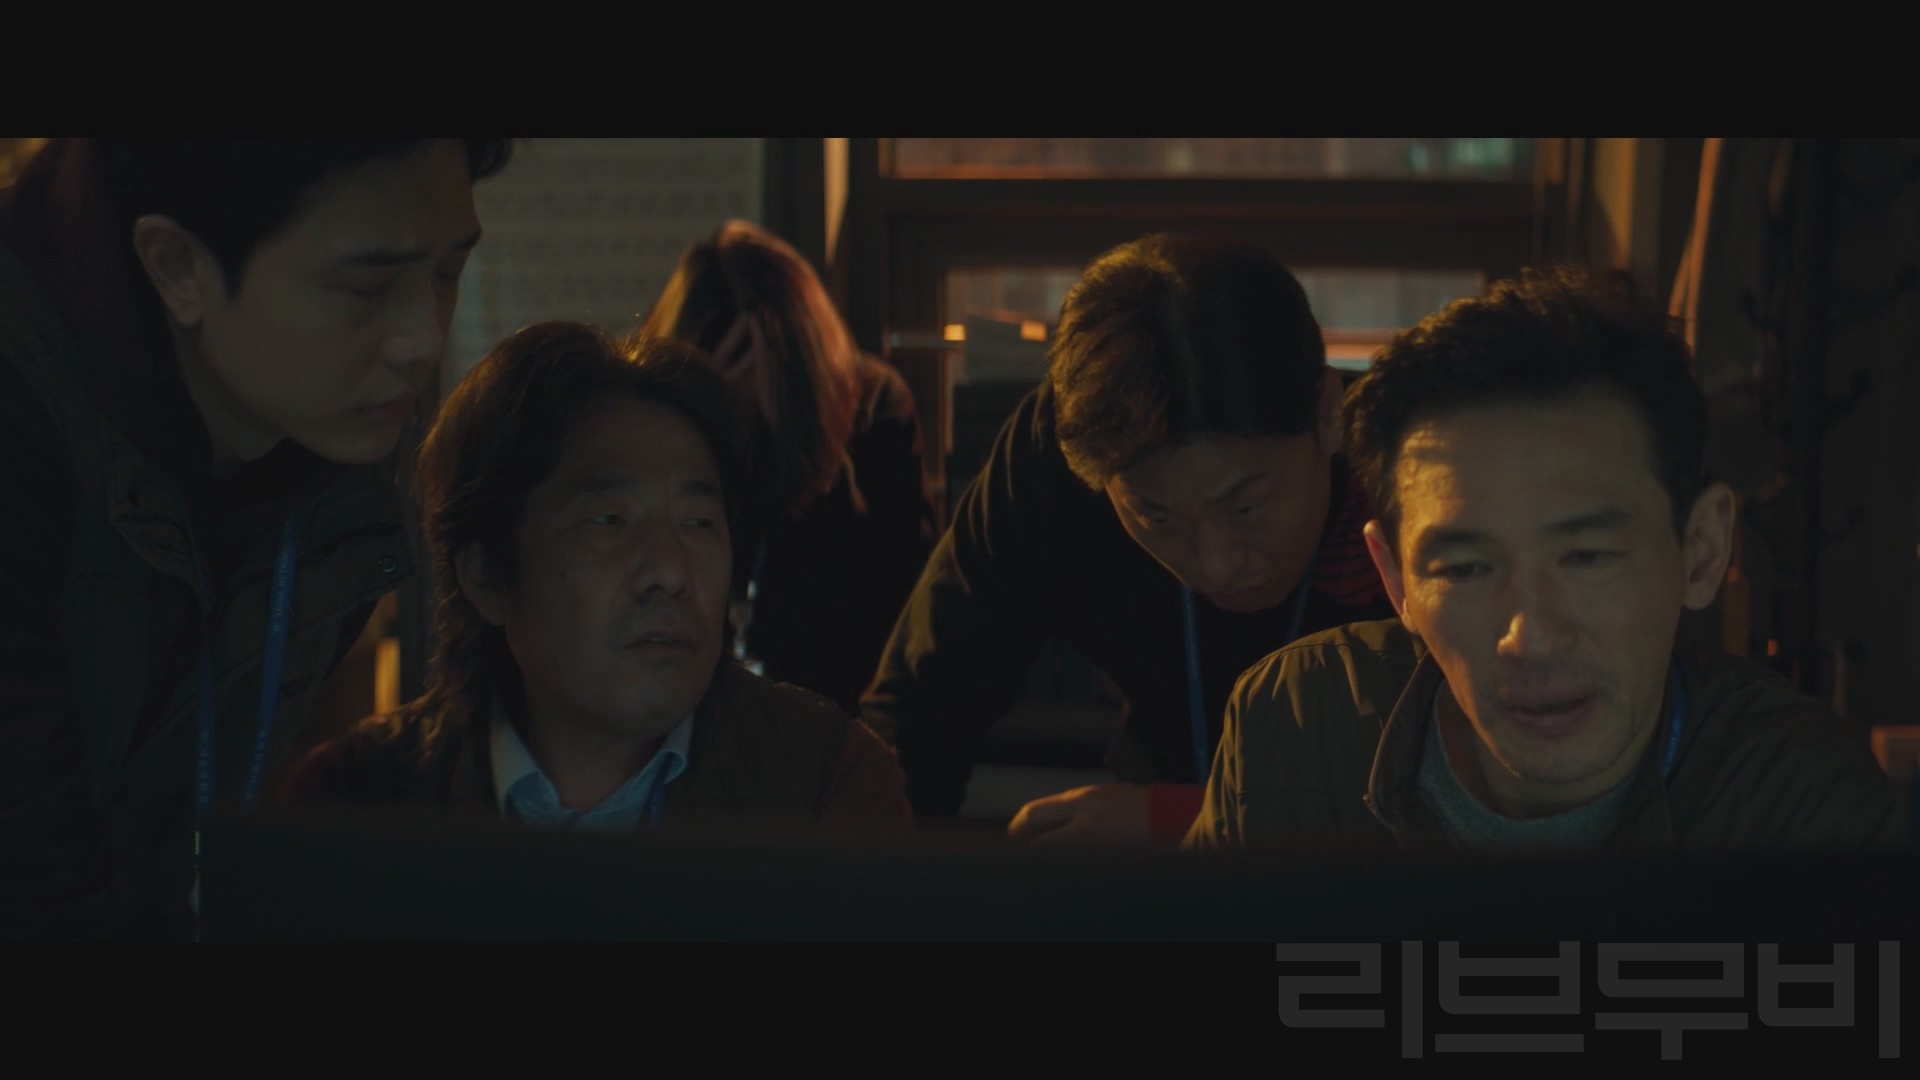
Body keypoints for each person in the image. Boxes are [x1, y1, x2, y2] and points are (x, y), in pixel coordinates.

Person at [1185, 266, 1908, 854]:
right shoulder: (1299, 723)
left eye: (1587, 556)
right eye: (1465, 569)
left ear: (1702, 549)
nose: (1529, 638)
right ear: (1395, 577)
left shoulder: (1804, 803)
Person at [0, 138, 514, 940]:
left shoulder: (322, 450)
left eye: (448, 271)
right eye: (368, 285)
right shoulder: (28, 413)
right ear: (178, 267)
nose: (424, 337)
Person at [860, 234, 1396, 847]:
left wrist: (1178, 818)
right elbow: (918, 712)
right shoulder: (1057, 456)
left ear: (1326, 414)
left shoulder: (1405, 478)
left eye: (1245, 506)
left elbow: (1460, 788)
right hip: (1156, 818)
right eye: (1156, 517)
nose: (1215, 566)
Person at [280, 325, 913, 839]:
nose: (670, 572)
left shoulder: (826, 787)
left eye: (698, 522)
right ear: (487, 574)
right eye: (609, 520)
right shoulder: (360, 802)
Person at [633, 220, 937, 716]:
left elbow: (896, 604)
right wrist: (702, 432)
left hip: (835, 705)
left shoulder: (871, 404)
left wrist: (812, 455)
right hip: (686, 708)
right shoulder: (648, 418)